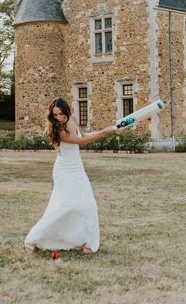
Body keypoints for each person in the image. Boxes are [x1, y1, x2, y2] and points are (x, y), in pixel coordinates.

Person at [24, 97, 118, 254]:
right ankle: (32, 239)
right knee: (64, 206)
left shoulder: (73, 118)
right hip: (64, 170)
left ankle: (88, 243)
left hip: (77, 169)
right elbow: (82, 142)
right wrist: (105, 132)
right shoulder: (58, 130)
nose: (59, 118)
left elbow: (84, 135)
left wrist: (108, 129)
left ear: (66, 111)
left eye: (61, 114)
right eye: (55, 115)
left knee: (88, 204)